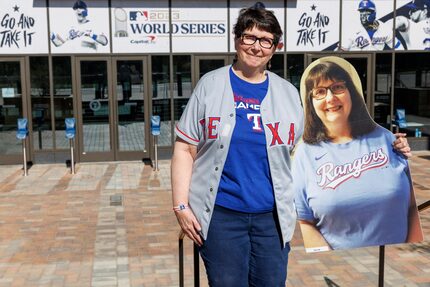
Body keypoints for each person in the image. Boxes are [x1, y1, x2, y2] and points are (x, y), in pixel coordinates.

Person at [171, 2, 304, 286]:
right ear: (237, 40)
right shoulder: (210, 85)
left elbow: (313, 149)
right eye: (250, 37)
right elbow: (185, 148)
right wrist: (181, 206)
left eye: (266, 40)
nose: (257, 46)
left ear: (276, 47)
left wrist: (390, 148)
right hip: (221, 218)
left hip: (272, 220)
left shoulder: (289, 94)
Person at [293, 56, 423, 252]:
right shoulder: (304, 153)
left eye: (337, 87)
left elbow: (412, 208)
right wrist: (332, 261)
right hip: (338, 262)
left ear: (351, 93)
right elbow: (305, 221)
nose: (330, 98)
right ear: (310, 102)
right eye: (320, 92)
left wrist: (407, 253)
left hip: (394, 258)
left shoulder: (386, 138)